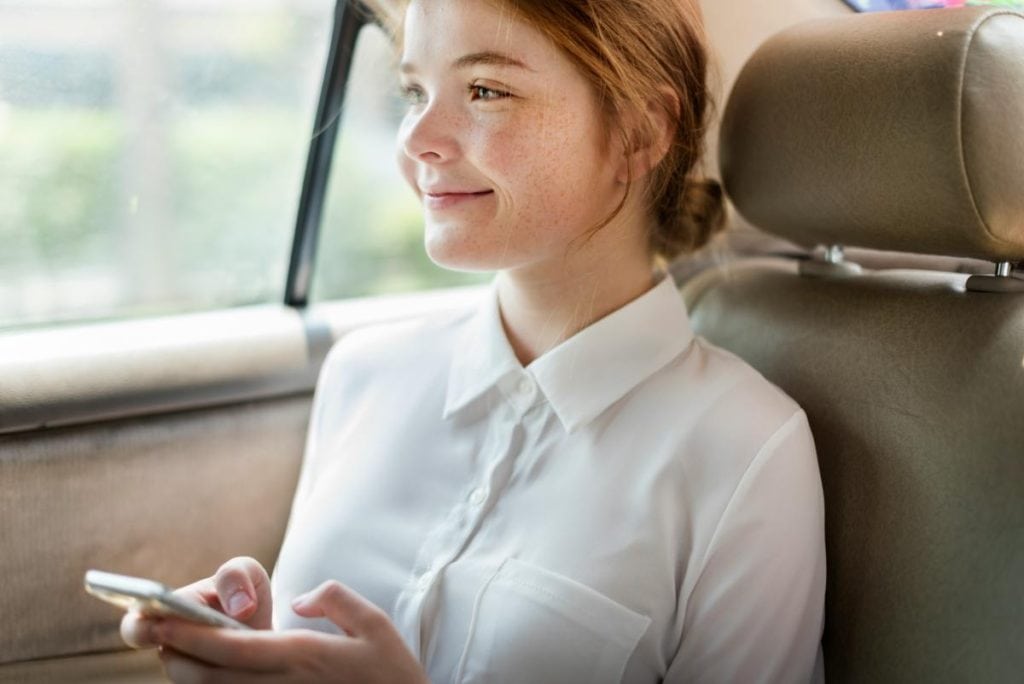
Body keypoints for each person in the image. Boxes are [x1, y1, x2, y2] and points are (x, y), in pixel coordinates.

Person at [121, 0, 826, 681]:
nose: (416, 139)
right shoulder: (362, 376)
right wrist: (250, 646)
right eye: (413, 91)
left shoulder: (746, 453)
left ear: (641, 133)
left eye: (484, 90)